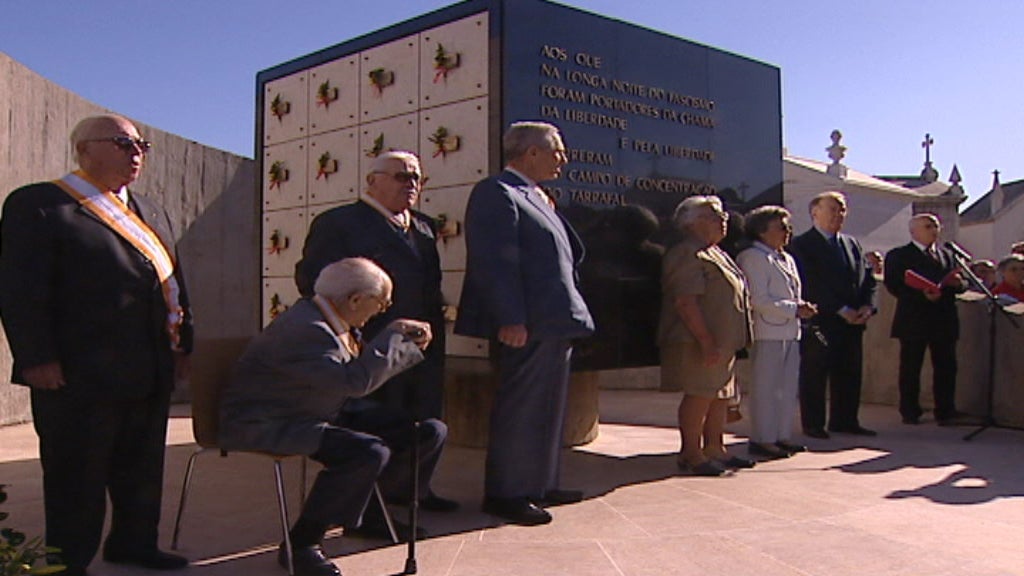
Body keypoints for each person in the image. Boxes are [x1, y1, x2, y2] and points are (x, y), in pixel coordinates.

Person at [0, 115, 193, 576]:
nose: (137, 153)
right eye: (124, 143)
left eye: (142, 144)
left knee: (142, 470)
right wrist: (36, 358)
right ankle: (69, 562)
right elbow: (20, 288)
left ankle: (134, 543)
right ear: (84, 149)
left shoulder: (152, 210)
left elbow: (174, 283)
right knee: (76, 476)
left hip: (148, 366)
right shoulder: (40, 204)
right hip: (77, 373)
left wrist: (183, 345)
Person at [219, 258, 444, 576]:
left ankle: (370, 513)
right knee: (366, 453)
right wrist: (393, 335)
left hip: (316, 409)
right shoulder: (306, 329)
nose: (384, 310)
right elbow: (354, 382)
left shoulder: (329, 319)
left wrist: (398, 343)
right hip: (269, 421)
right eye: (382, 302)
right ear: (354, 300)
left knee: (427, 432)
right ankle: (302, 544)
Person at [294, 150, 454, 511]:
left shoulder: (424, 226)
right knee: (379, 422)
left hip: (421, 345)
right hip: (371, 346)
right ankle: (368, 506)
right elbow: (313, 282)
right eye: (401, 176)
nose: (411, 184)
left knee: (424, 419)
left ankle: (413, 491)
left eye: (416, 177)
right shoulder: (339, 223)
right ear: (372, 181)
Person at [455, 121, 594, 525]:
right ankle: (506, 492)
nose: (564, 159)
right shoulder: (495, 192)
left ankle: (539, 482)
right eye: (557, 151)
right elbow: (494, 261)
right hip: (527, 323)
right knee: (521, 408)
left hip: (554, 322)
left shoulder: (535, 196)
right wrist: (510, 317)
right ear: (530, 152)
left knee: (548, 408)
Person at [658, 196, 754, 476]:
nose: (724, 219)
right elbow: (686, 301)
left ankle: (715, 447)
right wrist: (707, 341)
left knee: (719, 396)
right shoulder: (686, 252)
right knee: (699, 395)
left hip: (723, 342)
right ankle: (691, 453)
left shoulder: (715, 252)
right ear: (691, 223)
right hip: (697, 340)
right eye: (714, 215)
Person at [789, 191, 878, 439]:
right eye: (832, 209)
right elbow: (810, 283)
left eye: (842, 210)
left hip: (853, 323)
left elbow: (868, 279)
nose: (838, 214)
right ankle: (814, 423)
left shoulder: (852, 244)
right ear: (814, 212)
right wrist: (841, 310)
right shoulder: (801, 245)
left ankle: (845, 420)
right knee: (815, 373)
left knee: (849, 372)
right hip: (821, 321)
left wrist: (867, 306)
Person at [736, 206, 816, 459]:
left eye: (788, 227)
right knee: (766, 387)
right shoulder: (752, 257)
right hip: (767, 330)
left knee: (786, 387)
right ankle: (763, 438)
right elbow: (757, 298)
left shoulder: (787, 258)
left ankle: (781, 435)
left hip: (790, 332)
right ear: (761, 231)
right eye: (780, 227)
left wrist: (800, 309)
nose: (787, 232)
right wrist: (794, 309)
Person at [883, 214, 970, 426]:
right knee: (911, 366)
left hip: (943, 318)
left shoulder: (947, 255)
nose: (934, 230)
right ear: (914, 231)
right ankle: (910, 410)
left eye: (936, 226)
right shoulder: (899, 255)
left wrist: (958, 284)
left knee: (946, 366)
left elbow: (964, 282)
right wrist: (922, 294)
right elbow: (894, 284)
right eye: (928, 226)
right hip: (914, 319)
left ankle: (945, 409)